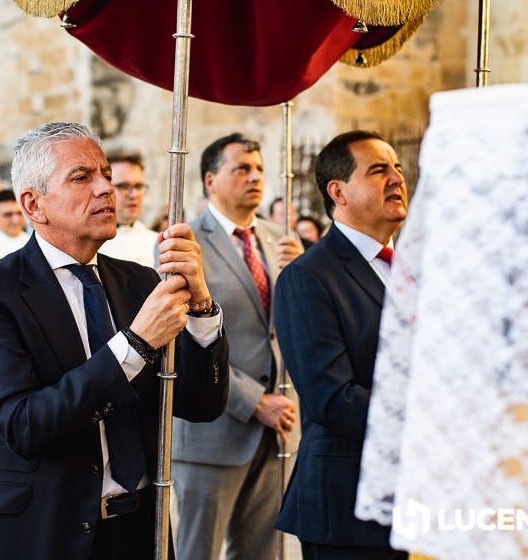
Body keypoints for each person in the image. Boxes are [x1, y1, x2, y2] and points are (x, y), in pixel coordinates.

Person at [0, 121, 229, 560]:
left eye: (107, 175)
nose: (105, 190)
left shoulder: (139, 282)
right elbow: (23, 424)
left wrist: (202, 306)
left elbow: (201, 405)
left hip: (137, 529)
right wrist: (134, 345)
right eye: (81, 177)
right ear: (33, 204)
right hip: (40, 531)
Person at [273, 131, 409, 560]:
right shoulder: (309, 277)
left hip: (417, 496)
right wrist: (428, 418)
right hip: (348, 507)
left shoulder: (413, 268)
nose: (396, 178)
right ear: (338, 192)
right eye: (378, 170)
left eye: (398, 167)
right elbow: (332, 398)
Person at [170, 133, 302, 560]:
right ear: (211, 179)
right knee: (198, 553)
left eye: (260, 169)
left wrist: (302, 273)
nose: (255, 177)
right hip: (213, 431)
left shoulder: (278, 240)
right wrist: (252, 399)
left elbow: (285, 328)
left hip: (275, 430)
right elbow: (182, 337)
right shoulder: (186, 242)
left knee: (263, 553)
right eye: (241, 168)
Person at [97, 153, 159, 267]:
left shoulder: (157, 241)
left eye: (138, 186)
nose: (134, 194)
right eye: (124, 186)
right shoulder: (92, 244)